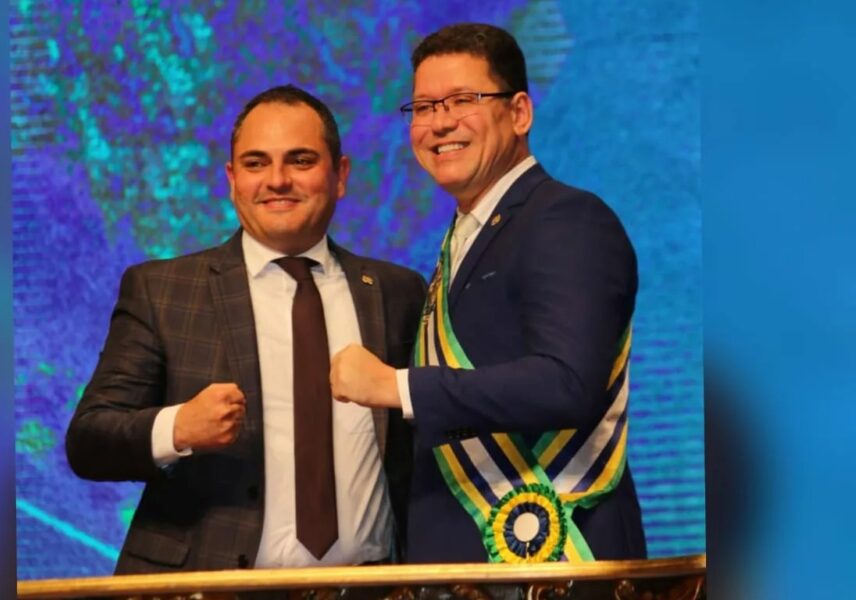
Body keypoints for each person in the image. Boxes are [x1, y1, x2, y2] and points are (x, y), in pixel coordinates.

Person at [66, 85, 425, 573]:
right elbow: (89, 442)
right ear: (233, 179)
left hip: (372, 586)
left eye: (301, 160)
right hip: (208, 586)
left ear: (340, 175)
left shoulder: (397, 292)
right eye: (256, 163)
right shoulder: (162, 290)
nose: (277, 180)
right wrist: (177, 428)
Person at [331, 23, 646, 563]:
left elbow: (567, 384)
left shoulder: (566, 219)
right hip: (466, 563)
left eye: (463, 100)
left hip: (554, 561)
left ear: (519, 113)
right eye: (424, 107)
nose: (440, 122)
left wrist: (396, 386)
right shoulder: (466, 235)